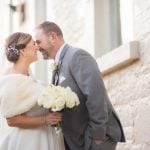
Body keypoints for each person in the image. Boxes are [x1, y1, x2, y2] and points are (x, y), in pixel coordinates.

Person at [34, 21, 126, 150]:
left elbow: (96, 96)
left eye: (38, 42)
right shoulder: (58, 65)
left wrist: (97, 136)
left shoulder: (77, 56)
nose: (37, 47)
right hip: (77, 140)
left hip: (94, 139)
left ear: (53, 37)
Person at [0, 32, 65, 150]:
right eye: (33, 43)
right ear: (23, 51)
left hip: (44, 137)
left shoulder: (29, 76)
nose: (37, 47)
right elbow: (12, 120)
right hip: (29, 142)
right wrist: (45, 119)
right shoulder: (12, 81)